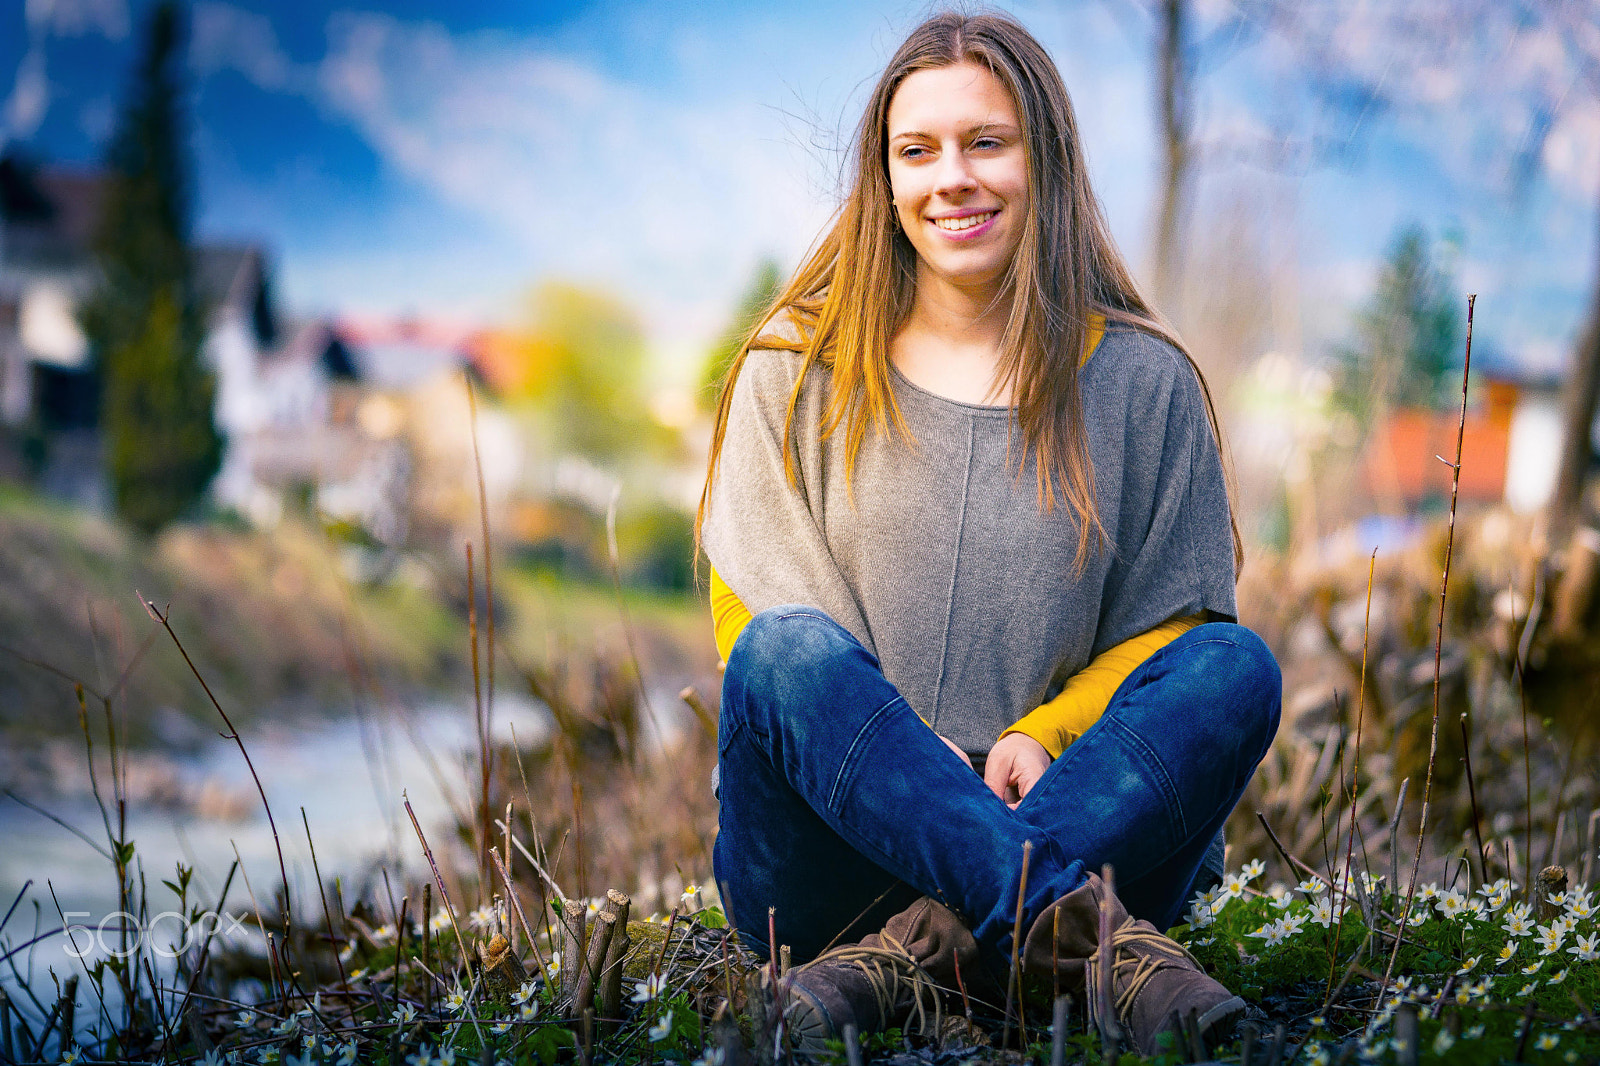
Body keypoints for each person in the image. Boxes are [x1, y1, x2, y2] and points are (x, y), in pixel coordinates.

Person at [694, 11, 1281, 1057]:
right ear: (882, 178)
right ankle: (1089, 943)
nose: (949, 177)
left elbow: (1177, 631)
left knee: (1234, 665)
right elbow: (764, 640)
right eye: (914, 150)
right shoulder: (790, 371)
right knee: (781, 649)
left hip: (1070, 808)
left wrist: (1048, 730)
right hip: (831, 860)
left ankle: (915, 951)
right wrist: (907, 759)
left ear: (1043, 160)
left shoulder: (1145, 385)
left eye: (985, 142)